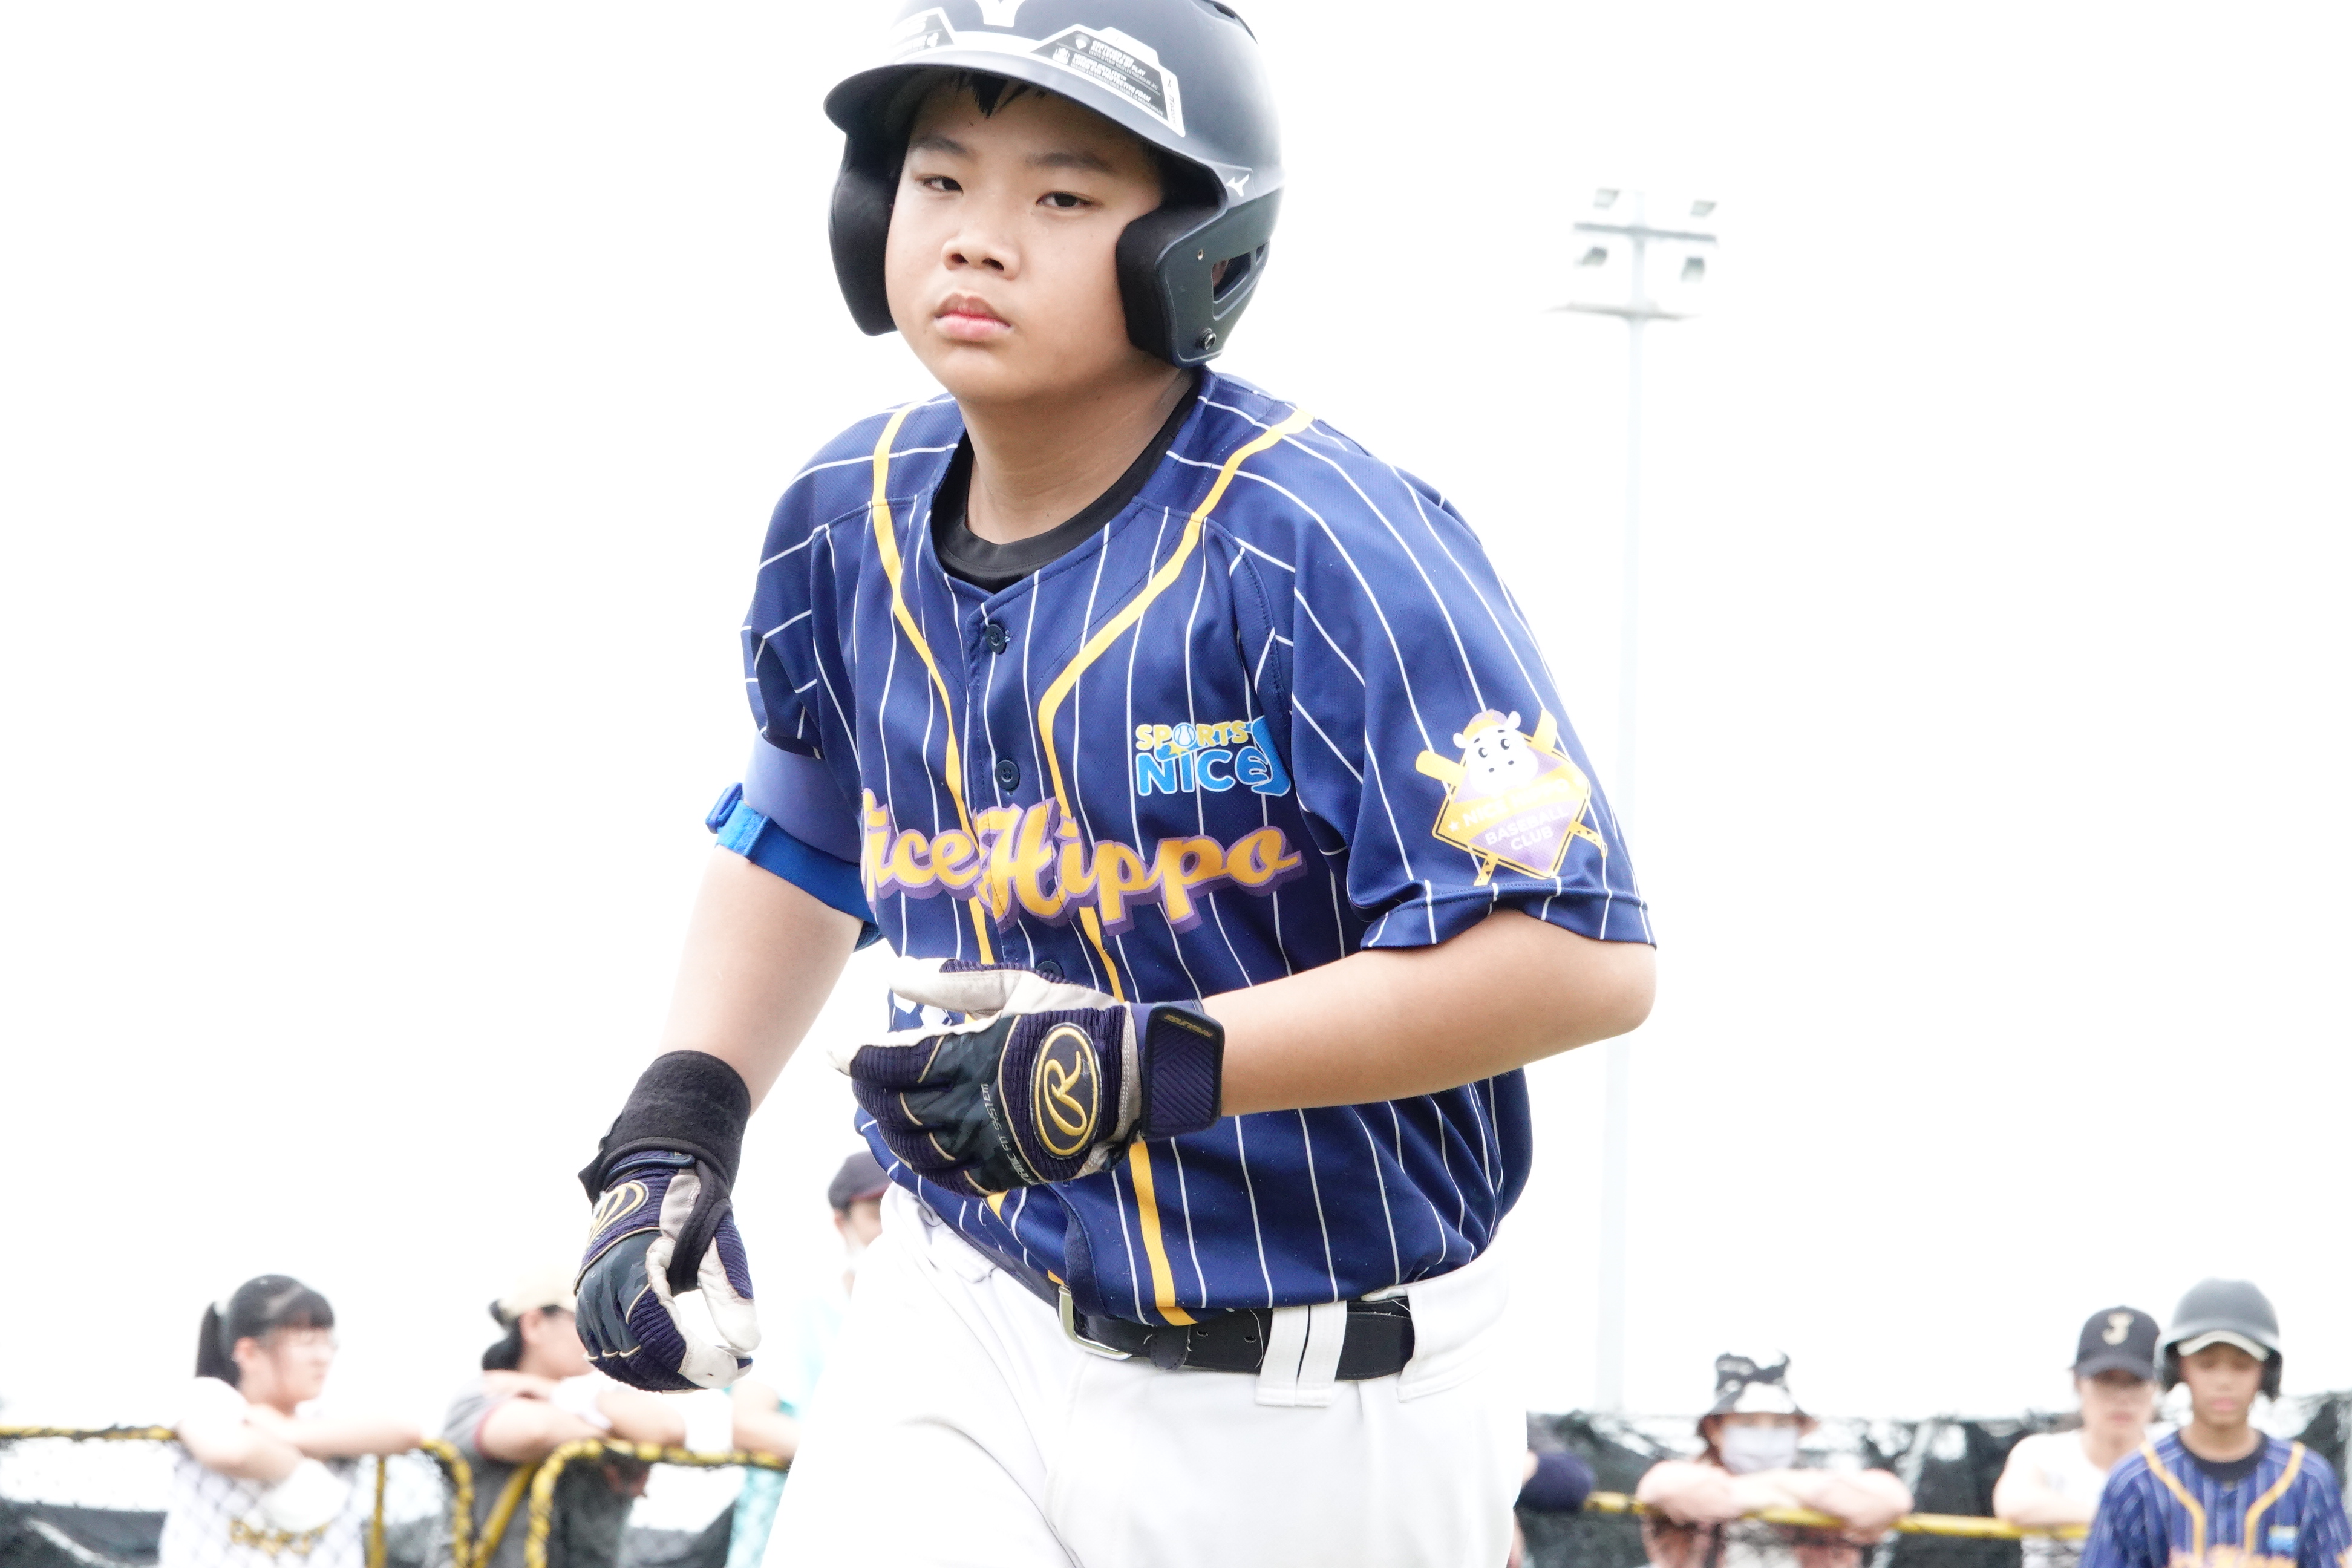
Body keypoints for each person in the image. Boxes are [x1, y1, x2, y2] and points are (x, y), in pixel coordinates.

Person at [564, 2, 1656, 1564]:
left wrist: (1154, 1064)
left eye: (1064, 195)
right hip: (970, 1306)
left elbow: (1578, 960)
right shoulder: (844, 511)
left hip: (1324, 1384)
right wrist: (675, 1128)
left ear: (1194, 246)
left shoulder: (1322, 539)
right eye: (941, 180)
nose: (978, 237)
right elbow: (801, 831)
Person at [2083, 1280, 2351, 1568]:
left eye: (2242, 1365)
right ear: (2179, 1368)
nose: (2224, 1381)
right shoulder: (2135, 1482)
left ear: (2266, 1372)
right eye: (2207, 1364)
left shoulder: (2306, 1479)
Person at [165, 1275, 420, 1568]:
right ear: (249, 1352)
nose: (323, 1356)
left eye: (328, 1341)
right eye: (307, 1342)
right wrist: (299, 1461)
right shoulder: (210, 1397)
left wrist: (285, 1431)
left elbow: (406, 1432)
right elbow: (231, 1452)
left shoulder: (321, 1413)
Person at [439, 1266, 686, 1568]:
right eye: (585, 1320)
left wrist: (557, 1393)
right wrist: (616, 1438)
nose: (602, 1335)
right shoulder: (486, 1392)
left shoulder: (590, 1401)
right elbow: (535, 1431)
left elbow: (669, 1429)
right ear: (534, 1324)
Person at [720, 1151, 888, 1568]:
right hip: (790, 1544)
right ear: (842, 1223)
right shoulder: (802, 1310)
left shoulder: (941, 1322)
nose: (893, 1229)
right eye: (878, 1212)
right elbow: (749, 1422)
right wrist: (869, 1463)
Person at [1636, 1354, 1912, 1568]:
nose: (1765, 1436)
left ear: (1798, 1432)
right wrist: (1777, 1492)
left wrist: (1783, 1484)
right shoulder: (1686, 1480)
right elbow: (1664, 1489)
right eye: (1748, 1423)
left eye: (1780, 1425)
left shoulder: (1821, 1490)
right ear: (1715, 1430)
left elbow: (1891, 1501)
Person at [1994, 1307, 2161, 1568]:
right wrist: (2117, 1519)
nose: (2122, 1397)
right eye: (2106, 1380)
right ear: (2077, 1382)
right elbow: (2013, 1502)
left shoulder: (2175, 1454)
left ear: (2157, 1385)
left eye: (2135, 1381)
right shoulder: (2043, 1453)